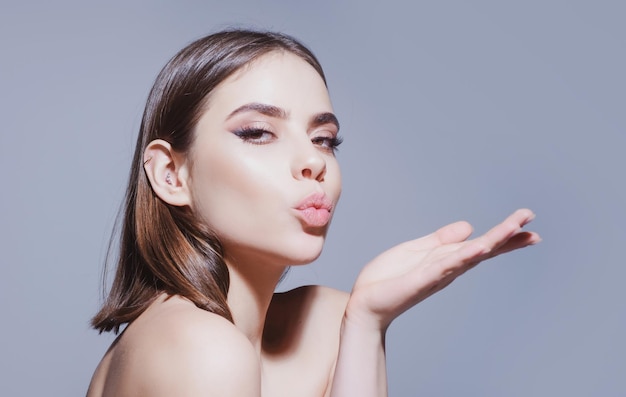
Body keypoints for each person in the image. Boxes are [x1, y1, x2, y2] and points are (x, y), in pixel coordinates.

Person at [87, 29, 540, 397]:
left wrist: (366, 323)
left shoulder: (325, 324)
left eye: (324, 138)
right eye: (259, 132)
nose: (315, 161)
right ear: (171, 174)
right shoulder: (199, 347)